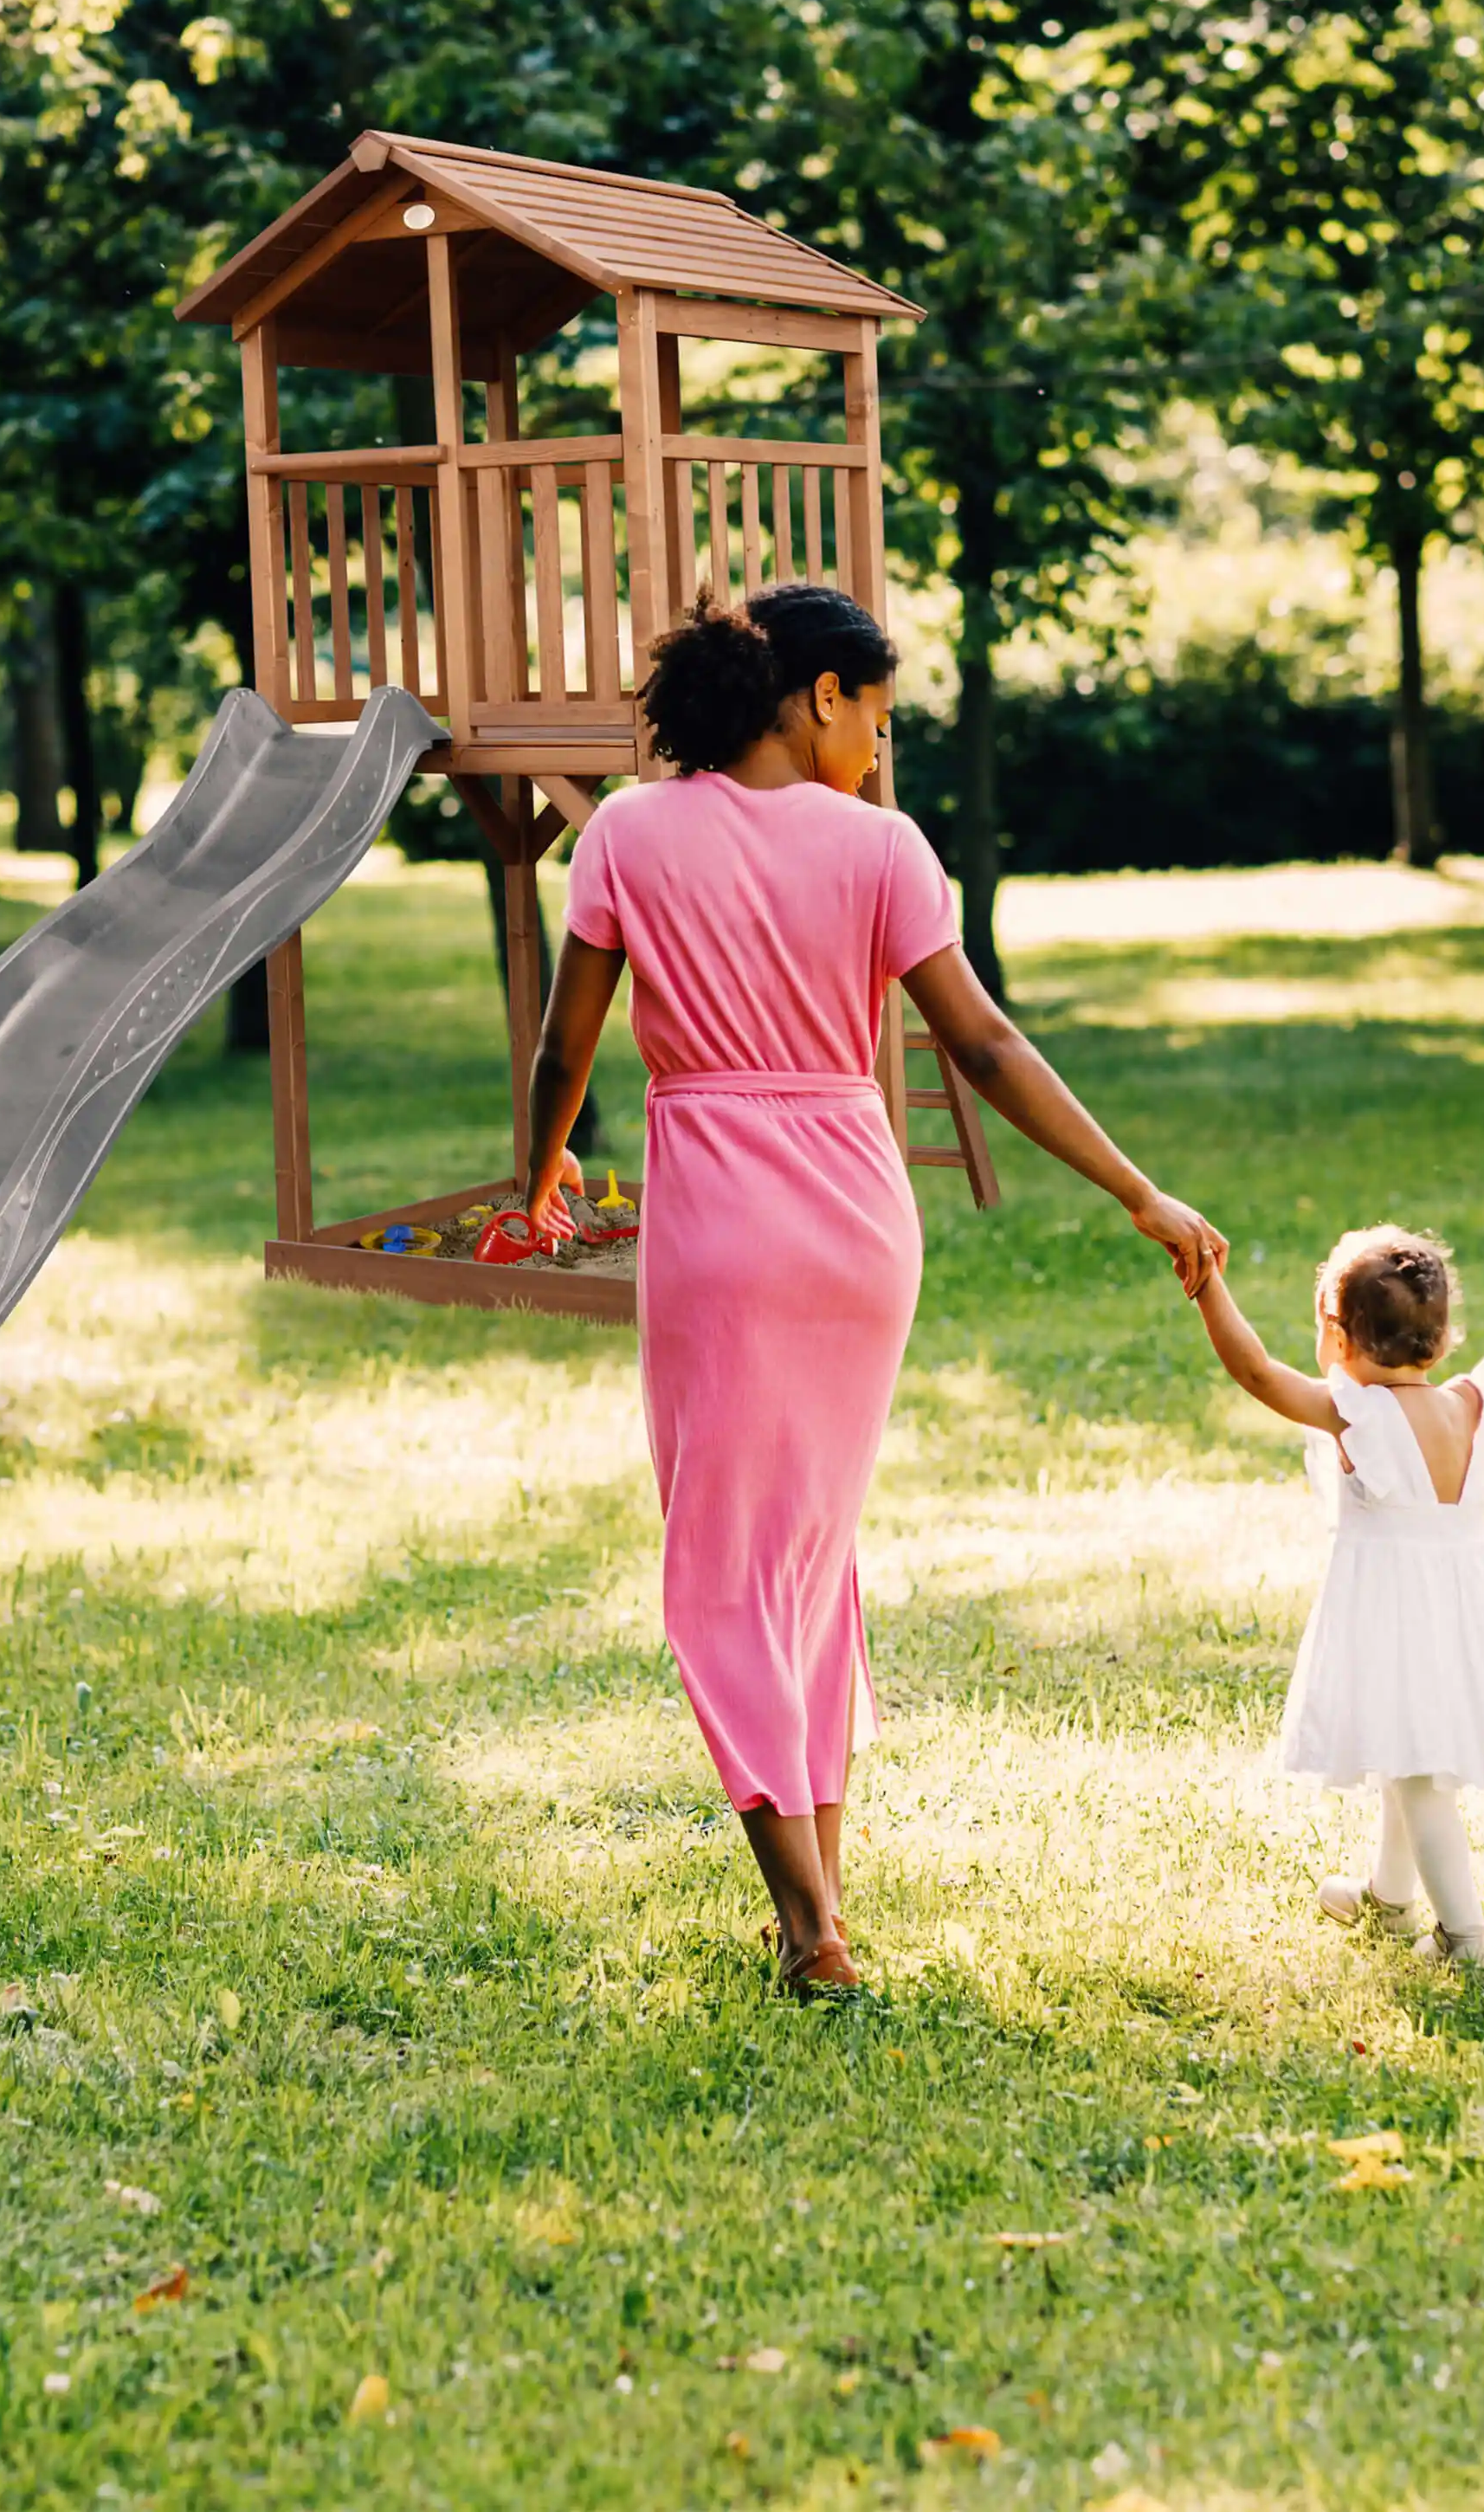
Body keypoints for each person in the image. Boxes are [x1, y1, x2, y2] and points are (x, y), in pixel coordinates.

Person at [517, 584, 1226, 1998]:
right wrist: (1136, 1188)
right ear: (820, 695)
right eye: (879, 720)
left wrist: (534, 1181)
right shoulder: (886, 851)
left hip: (718, 1226)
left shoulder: (628, 836)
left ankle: (807, 1928)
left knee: (724, 1571)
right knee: (810, 1562)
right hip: (857, 1225)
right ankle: (821, 1901)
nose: (880, 756)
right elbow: (984, 1047)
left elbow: (565, 1049)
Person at [1188, 1227, 1484, 1966]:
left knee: (1419, 1775)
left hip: (1394, 1613)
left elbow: (1256, 1372)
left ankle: (1465, 1937)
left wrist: (1208, 1287)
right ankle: (1389, 1899)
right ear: (1442, 1339)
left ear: (1339, 1335)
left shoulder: (1357, 1415)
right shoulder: (1471, 1402)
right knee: (1403, 1746)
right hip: (1461, 1609)